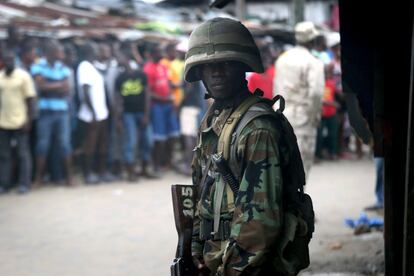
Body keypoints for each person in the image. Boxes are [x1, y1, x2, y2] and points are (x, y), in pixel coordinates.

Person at [185, 17, 309, 275]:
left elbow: (259, 224)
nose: (216, 72)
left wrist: (229, 271)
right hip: (217, 256)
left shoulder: (257, 128)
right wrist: (196, 245)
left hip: (246, 266)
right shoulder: (215, 116)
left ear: (242, 65)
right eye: (209, 66)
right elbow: (204, 189)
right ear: (200, 71)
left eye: (226, 63)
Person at [274, 21, 325, 177]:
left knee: (281, 163)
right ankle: (296, 200)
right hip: (302, 118)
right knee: (300, 165)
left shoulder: (282, 59)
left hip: (280, 116)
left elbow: (276, 88)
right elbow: (316, 93)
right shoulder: (313, 61)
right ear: (313, 40)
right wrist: (312, 116)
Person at [31, 40, 74, 187]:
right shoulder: (38, 66)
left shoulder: (62, 67)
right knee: (42, 145)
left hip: (62, 112)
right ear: (50, 52)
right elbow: (40, 86)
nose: (61, 54)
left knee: (65, 144)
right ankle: (38, 178)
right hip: (45, 112)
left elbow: (67, 88)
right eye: (58, 51)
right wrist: (58, 85)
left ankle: (69, 177)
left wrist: (51, 85)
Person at [77, 42, 113, 184]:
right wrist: (92, 113)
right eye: (96, 49)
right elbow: (85, 92)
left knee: (102, 144)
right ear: (89, 51)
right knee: (90, 145)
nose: (99, 51)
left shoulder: (94, 66)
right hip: (91, 115)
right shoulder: (84, 66)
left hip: (102, 113)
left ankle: (102, 172)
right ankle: (88, 173)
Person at [0, 50, 36, 194]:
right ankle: (5, 184)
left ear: (14, 60)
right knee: (4, 155)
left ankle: (24, 184)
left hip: (20, 121)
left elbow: (31, 100)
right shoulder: (0, 77)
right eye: (6, 60)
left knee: (23, 154)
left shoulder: (23, 76)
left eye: (11, 59)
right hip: (3, 122)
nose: (9, 62)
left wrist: (28, 120)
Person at [115, 53, 154, 181]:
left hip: (142, 113)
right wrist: (118, 119)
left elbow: (147, 95)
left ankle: (144, 169)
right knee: (130, 142)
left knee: (147, 140)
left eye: (121, 57)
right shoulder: (120, 78)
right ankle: (131, 172)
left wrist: (147, 115)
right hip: (128, 114)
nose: (119, 60)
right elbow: (118, 99)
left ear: (127, 59)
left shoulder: (141, 75)